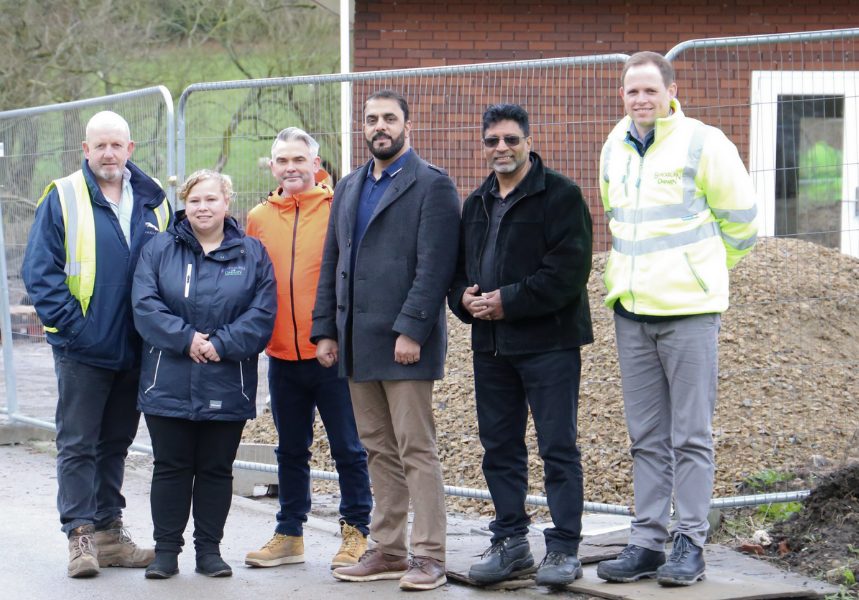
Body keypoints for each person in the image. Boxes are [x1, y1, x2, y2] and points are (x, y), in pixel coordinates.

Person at [594, 52, 758, 587]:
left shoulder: (702, 141)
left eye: (649, 90)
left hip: (689, 311)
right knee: (645, 435)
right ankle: (646, 540)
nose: (640, 100)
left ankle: (689, 542)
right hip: (633, 311)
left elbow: (741, 220)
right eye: (631, 91)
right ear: (622, 95)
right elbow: (620, 222)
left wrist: (704, 270)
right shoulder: (614, 146)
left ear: (670, 90)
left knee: (691, 434)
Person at [312, 89, 461, 591]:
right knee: (377, 449)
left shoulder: (432, 185)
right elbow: (333, 263)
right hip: (356, 343)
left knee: (416, 448)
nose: (380, 126)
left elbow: (435, 265)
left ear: (407, 124)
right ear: (364, 126)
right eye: (372, 119)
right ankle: (390, 549)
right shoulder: (350, 186)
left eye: (390, 118)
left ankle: (429, 556)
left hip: (404, 343)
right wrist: (325, 330)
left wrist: (412, 329)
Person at [448, 103, 593, 586]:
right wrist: (463, 298)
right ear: (483, 145)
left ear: (528, 140)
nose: (501, 149)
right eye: (492, 141)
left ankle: (565, 549)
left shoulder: (562, 196)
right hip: (490, 347)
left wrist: (507, 301)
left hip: (548, 345)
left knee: (557, 446)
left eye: (510, 139)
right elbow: (458, 273)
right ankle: (510, 542)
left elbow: (568, 274)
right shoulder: (476, 202)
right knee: (500, 447)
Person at [22, 110, 168, 578]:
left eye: (116, 145)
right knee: (78, 443)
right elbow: (39, 273)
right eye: (99, 145)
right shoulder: (63, 196)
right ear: (85, 150)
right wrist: (74, 330)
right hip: (82, 349)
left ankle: (109, 532)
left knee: (115, 444)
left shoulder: (154, 203)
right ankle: (80, 536)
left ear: (130, 149)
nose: (108, 153)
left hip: (135, 347)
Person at [131, 169, 277, 579]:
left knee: (215, 469)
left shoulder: (253, 253)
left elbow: (262, 313)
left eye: (211, 199)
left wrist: (222, 344)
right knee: (171, 466)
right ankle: (165, 552)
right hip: (168, 378)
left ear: (227, 203)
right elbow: (145, 305)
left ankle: (209, 551)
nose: (202, 207)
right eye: (194, 200)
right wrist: (186, 339)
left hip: (227, 379)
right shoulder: (158, 249)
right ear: (185, 204)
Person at [244, 128, 372, 570]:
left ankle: (357, 532)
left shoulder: (340, 209)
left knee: (349, 449)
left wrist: (338, 334)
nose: (291, 167)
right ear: (273, 167)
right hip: (281, 355)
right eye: (282, 160)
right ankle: (289, 533)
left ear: (317, 166)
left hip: (331, 354)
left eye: (299, 159)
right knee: (290, 450)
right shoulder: (258, 216)